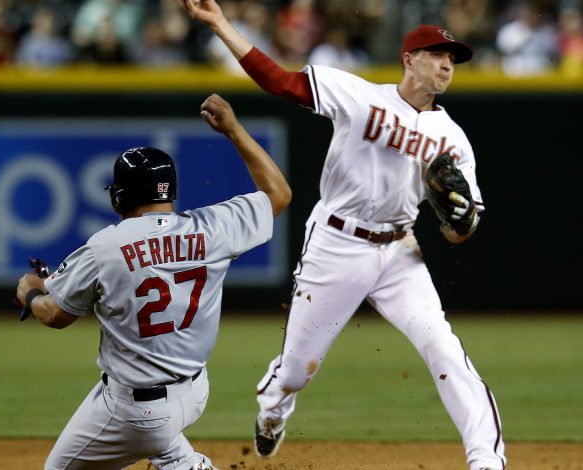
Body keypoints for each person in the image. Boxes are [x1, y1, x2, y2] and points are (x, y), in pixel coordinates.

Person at [179, 1, 505, 469]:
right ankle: (273, 408)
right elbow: (279, 79)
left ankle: (487, 461)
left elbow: (461, 230)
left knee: (444, 348)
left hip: (399, 251)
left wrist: (460, 224)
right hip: (335, 244)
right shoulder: (359, 95)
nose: (446, 65)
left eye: (452, 59)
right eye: (437, 54)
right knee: (295, 372)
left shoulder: (452, 138)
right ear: (409, 59)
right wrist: (219, 24)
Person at [15, 93, 291, 470]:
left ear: (120, 195)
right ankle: (184, 464)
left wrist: (30, 292)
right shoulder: (212, 229)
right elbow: (279, 193)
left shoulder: (106, 246)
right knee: (158, 431)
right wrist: (233, 129)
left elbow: (55, 315)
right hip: (195, 391)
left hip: (137, 409)